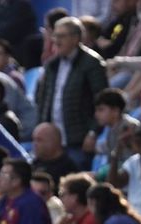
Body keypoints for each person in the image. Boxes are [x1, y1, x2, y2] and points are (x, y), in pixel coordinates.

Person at [36, 16, 110, 170]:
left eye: (61, 36)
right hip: (54, 141)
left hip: (79, 140)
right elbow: (43, 100)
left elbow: (102, 100)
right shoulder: (52, 65)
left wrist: (93, 132)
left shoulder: (92, 63)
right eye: (54, 35)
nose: (56, 40)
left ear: (76, 38)